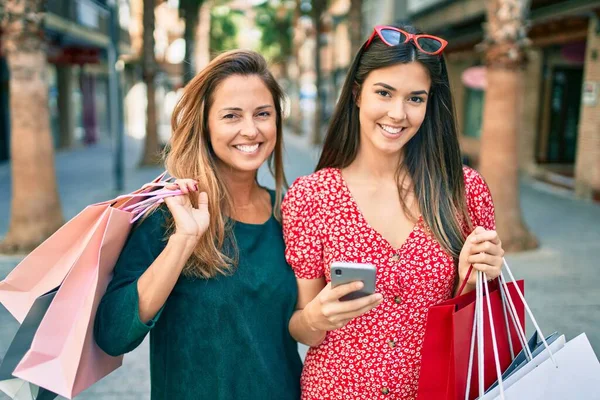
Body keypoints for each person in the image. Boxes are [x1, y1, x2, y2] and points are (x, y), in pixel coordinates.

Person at [281, 24, 505, 399]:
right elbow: (304, 328)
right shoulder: (312, 196)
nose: (398, 113)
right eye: (384, 93)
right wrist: (316, 317)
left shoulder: (463, 191)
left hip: (438, 390)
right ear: (357, 94)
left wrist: (477, 275)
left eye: (415, 99)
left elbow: (479, 318)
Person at [94, 50, 302, 400]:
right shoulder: (168, 216)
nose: (250, 130)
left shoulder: (290, 213)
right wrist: (183, 241)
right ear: (205, 124)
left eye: (263, 114)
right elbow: (114, 336)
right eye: (231, 116)